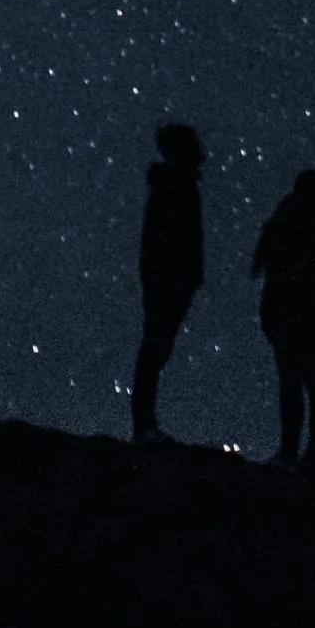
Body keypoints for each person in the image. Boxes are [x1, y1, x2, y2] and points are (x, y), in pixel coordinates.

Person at [252, 168, 315, 474]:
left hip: (291, 318)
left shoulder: (282, 226)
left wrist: (269, 314)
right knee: (312, 386)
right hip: (307, 320)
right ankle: (306, 456)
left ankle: (292, 453)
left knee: (293, 385)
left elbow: (271, 276)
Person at [130, 122, 205, 443]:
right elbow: (165, 240)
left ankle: (145, 424)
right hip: (168, 281)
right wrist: (173, 278)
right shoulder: (175, 187)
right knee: (154, 349)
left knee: (157, 349)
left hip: (170, 281)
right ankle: (144, 426)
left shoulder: (177, 185)